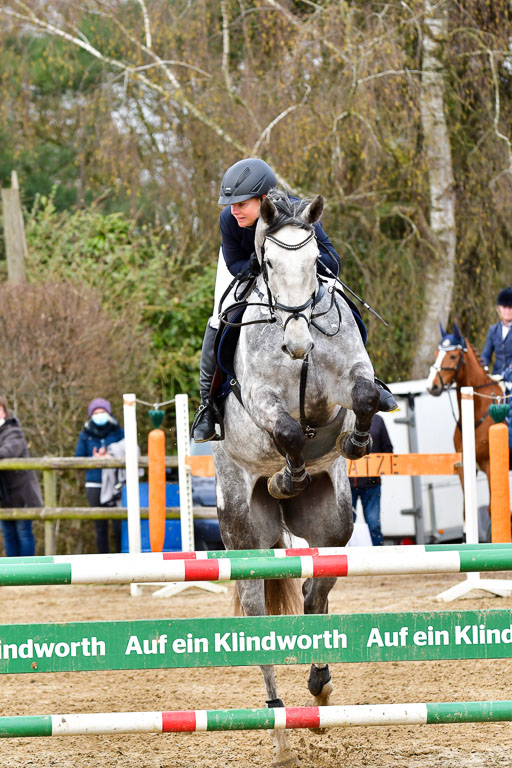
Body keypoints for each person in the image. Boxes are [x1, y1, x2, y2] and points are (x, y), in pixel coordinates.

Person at [191, 157, 398, 442]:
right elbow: (234, 264)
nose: (234, 210)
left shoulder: (300, 212)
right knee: (219, 315)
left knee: (338, 297)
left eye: (241, 204)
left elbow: (332, 261)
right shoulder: (229, 219)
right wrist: (257, 265)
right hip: (249, 273)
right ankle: (208, 405)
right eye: (232, 204)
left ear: (263, 199)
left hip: (297, 269)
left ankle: (368, 377)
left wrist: (301, 260)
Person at [75, 398, 124, 553]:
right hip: (94, 483)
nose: (100, 415)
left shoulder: (118, 431)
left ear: (108, 413)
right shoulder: (85, 434)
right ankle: (104, 562)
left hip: (116, 484)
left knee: (119, 526)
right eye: (96, 413)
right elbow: (78, 458)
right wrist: (94, 459)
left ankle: (123, 559)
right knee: (100, 526)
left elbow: (127, 449)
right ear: (91, 416)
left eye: (102, 412)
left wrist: (110, 455)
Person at [0, 396, 41, 557]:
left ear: (4, 412)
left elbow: (9, 451)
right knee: (8, 535)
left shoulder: (13, 431)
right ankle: (12, 573)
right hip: (4, 495)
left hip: (21, 493)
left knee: (24, 533)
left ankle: (28, 571)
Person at [349, 413, 393, 547]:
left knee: (374, 524)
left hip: (372, 484)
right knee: (347, 527)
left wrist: (378, 469)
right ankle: (346, 558)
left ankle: (379, 558)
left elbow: (388, 450)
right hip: (348, 484)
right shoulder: (345, 420)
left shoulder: (378, 421)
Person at [481, 287, 512, 382]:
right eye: (504, 307)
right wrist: (483, 366)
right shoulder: (493, 330)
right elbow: (486, 354)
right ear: (499, 308)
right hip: (497, 376)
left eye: (510, 308)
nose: (507, 311)